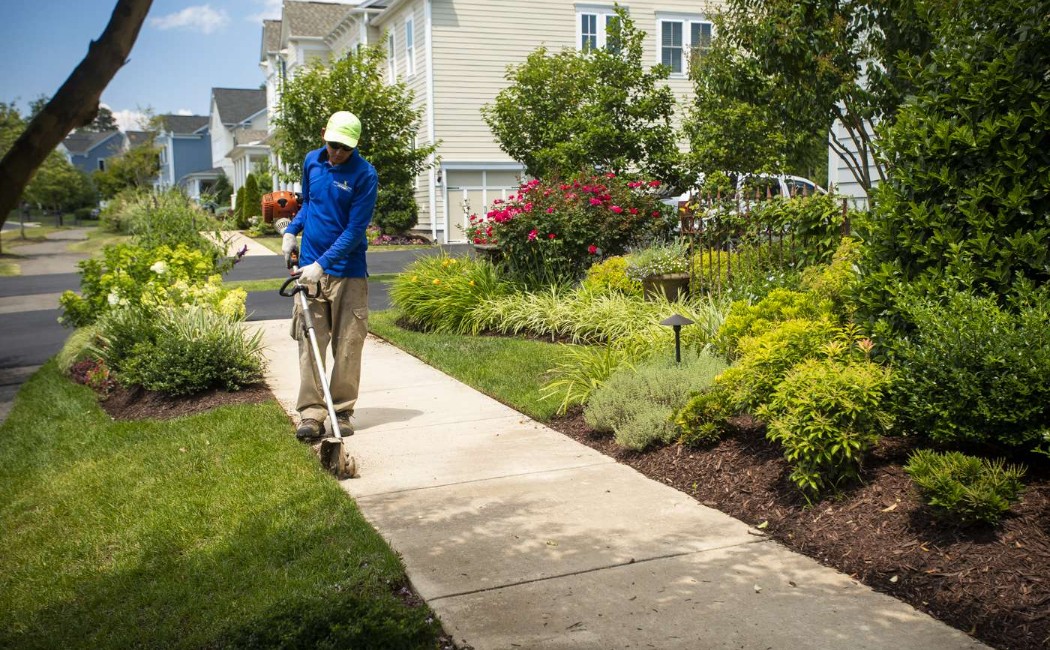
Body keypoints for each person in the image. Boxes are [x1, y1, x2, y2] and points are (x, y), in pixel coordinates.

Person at [281, 111, 379, 441]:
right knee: (310, 341)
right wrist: (292, 231)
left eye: (345, 148)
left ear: (355, 145)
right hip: (308, 270)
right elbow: (309, 203)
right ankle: (311, 413)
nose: (337, 153)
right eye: (333, 145)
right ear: (324, 134)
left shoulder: (365, 174)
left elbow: (354, 230)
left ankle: (341, 411)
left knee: (348, 344)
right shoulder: (312, 161)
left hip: (347, 273)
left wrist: (321, 265)